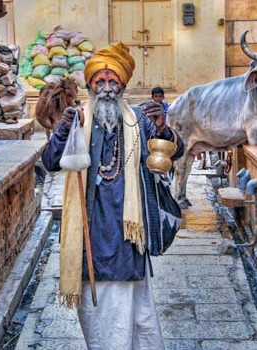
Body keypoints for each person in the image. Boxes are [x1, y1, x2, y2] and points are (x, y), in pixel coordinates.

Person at [41, 42, 184, 350]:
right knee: (99, 316)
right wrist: (64, 130)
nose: (106, 88)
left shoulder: (139, 120)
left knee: (134, 311)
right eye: (100, 82)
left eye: (112, 82)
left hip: (129, 238)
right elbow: (51, 162)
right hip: (90, 233)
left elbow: (176, 152)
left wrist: (162, 130)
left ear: (122, 85)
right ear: (91, 85)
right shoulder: (77, 120)